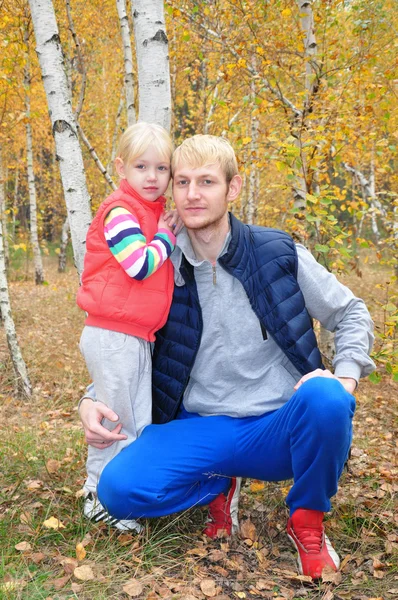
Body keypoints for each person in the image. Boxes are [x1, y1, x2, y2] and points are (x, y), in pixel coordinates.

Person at [79, 134, 375, 579]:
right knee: (117, 491)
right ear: (171, 191)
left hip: (275, 428)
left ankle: (307, 523)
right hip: (198, 425)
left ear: (231, 189)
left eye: (207, 181)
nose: (193, 194)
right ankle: (216, 482)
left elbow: (351, 312)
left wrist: (347, 376)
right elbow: (124, 335)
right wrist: (89, 398)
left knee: (328, 399)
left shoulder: (277, 254)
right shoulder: (159, 260)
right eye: (181, 182)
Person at [76, 122, 177, 532]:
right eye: (141, 167)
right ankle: (99, 495)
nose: (152, 177)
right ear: (121, 167)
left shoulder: (149, 212)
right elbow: (139, 265)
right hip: (113, 333)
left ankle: (125, 493)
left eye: (162, 168)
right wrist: (167, 236)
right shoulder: (121, 212)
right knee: (117, 419)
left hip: (134, 334)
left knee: (136, 419)